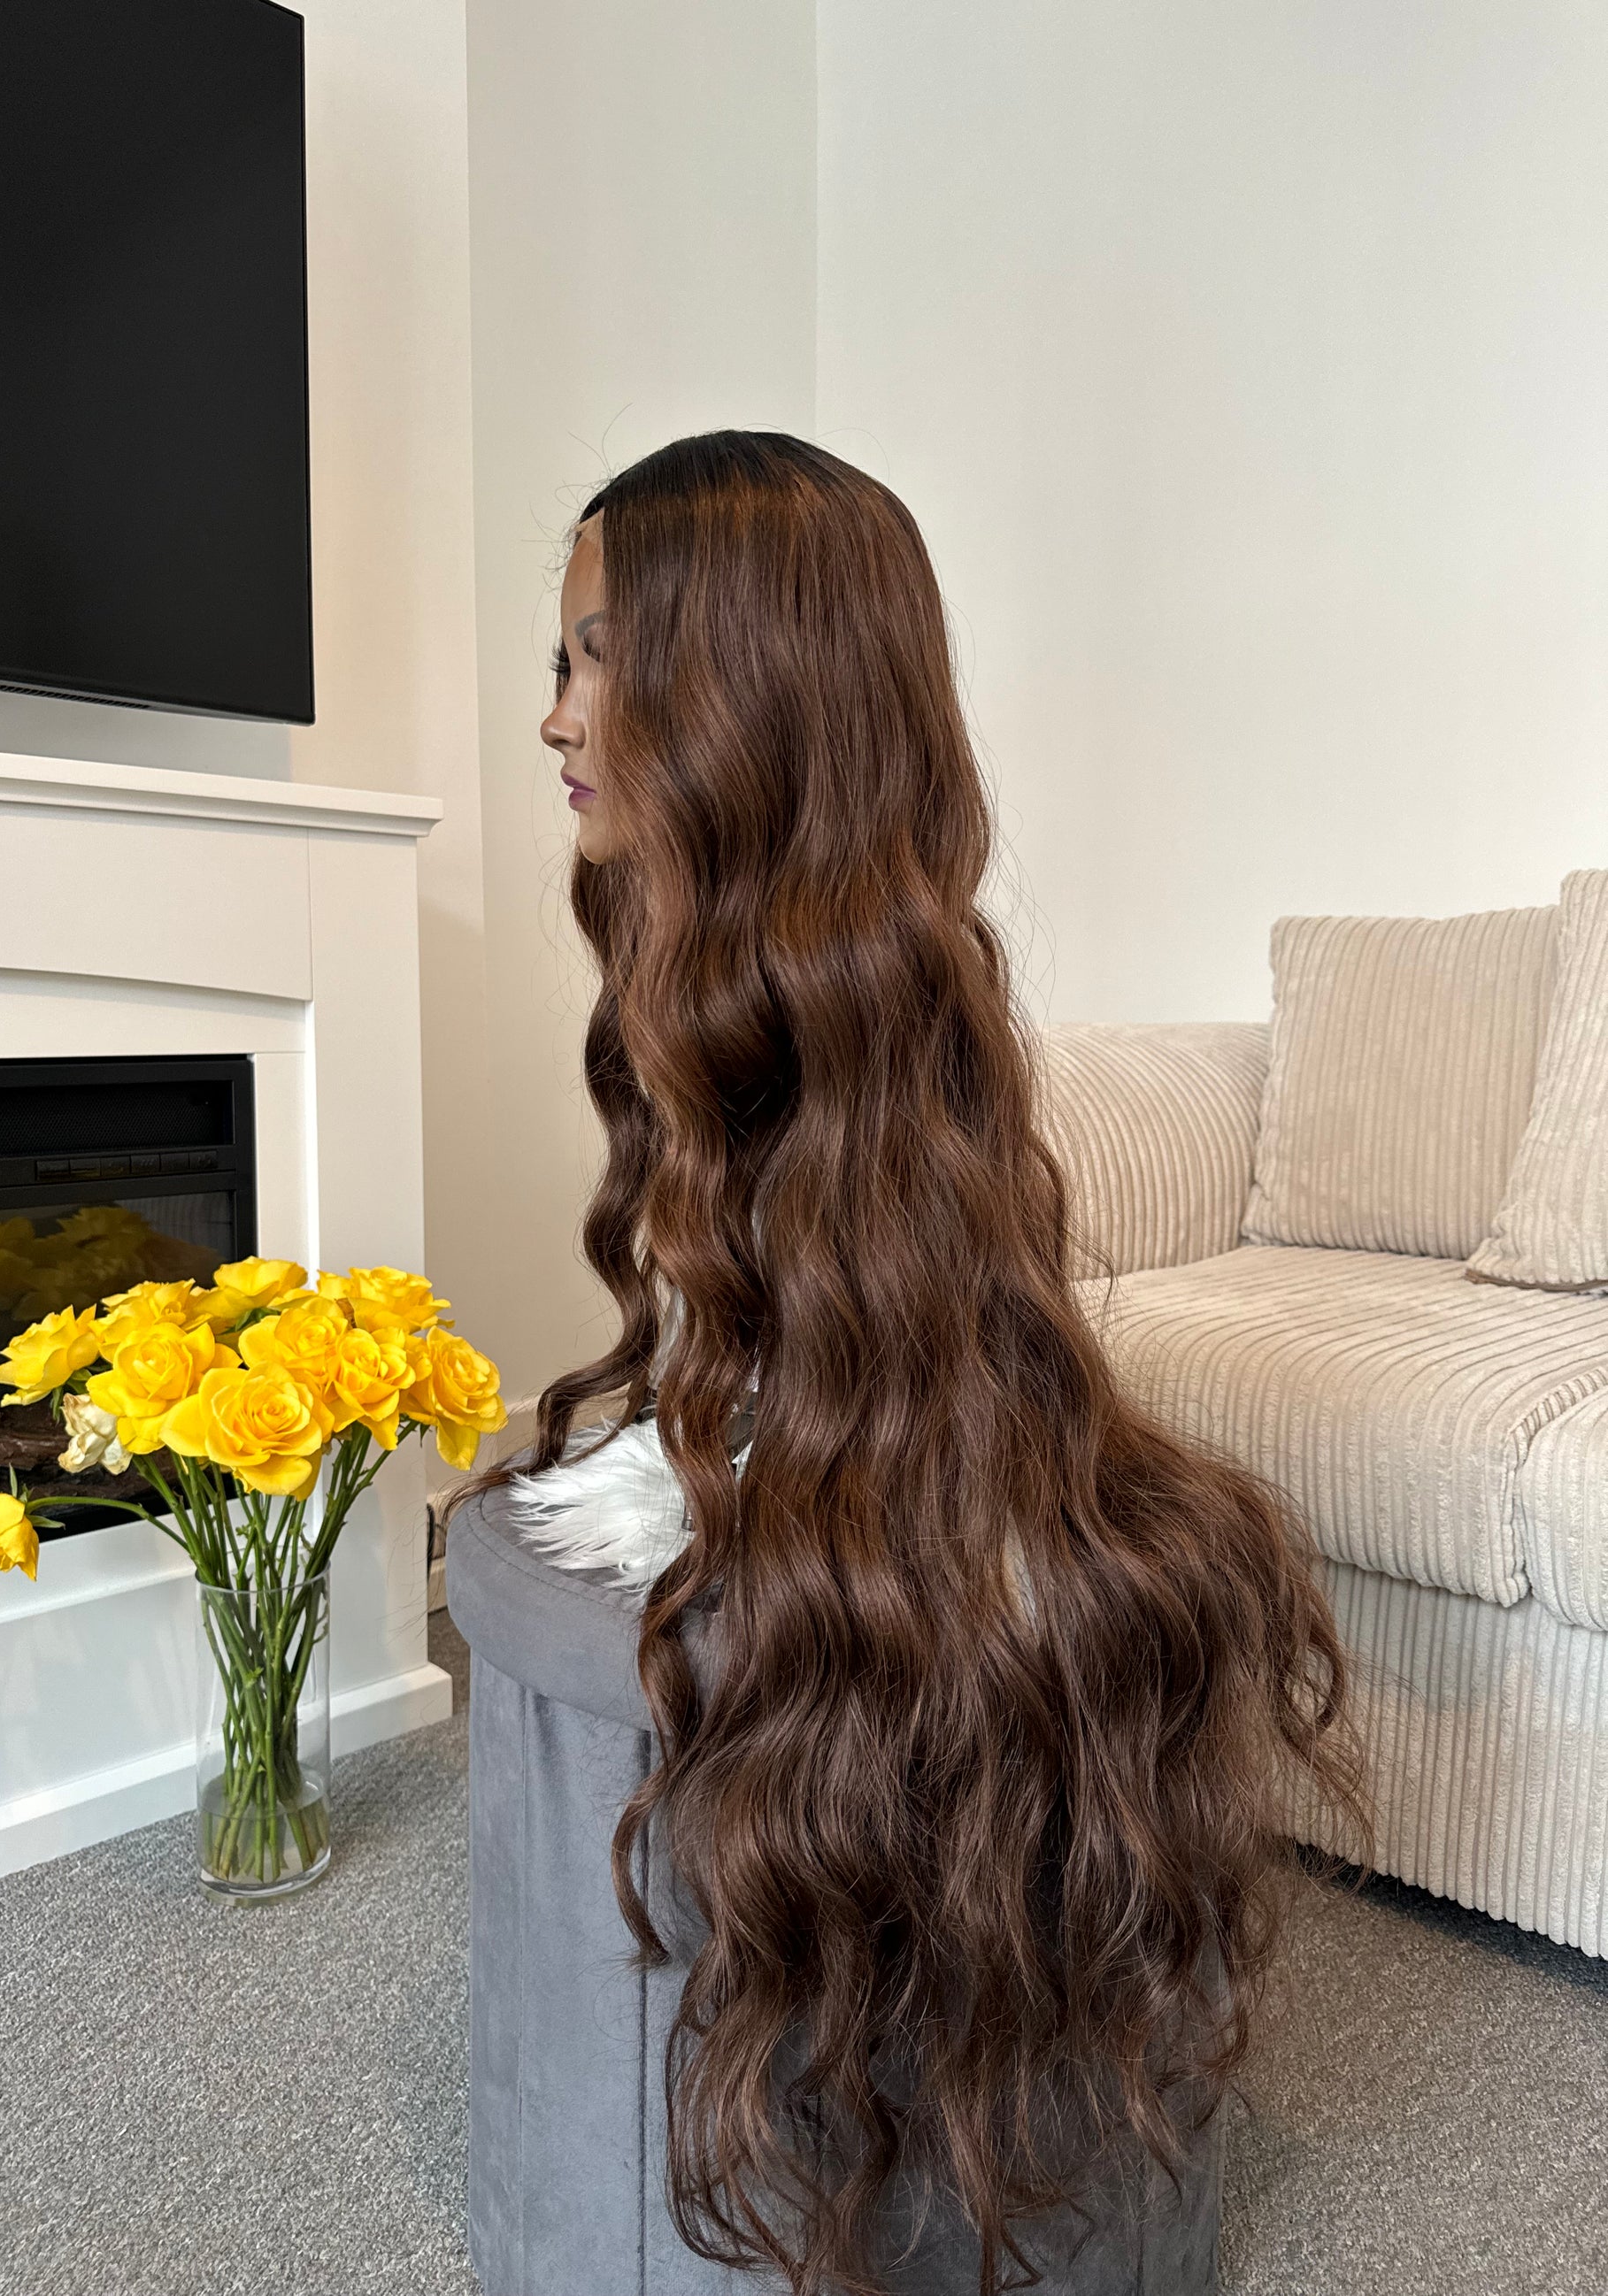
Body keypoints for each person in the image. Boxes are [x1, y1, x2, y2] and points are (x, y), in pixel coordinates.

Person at [448, 430, 1360, 2296]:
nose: (554, 716)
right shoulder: (701, 963)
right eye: (559, 662)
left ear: (748, 690)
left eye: (599, 660)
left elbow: (880, 1333)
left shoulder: (849, 1008)